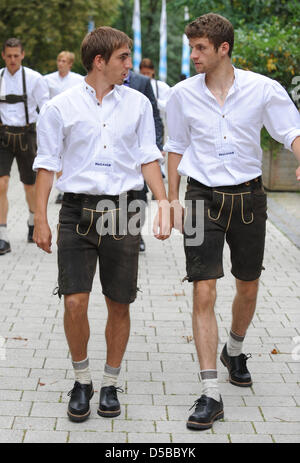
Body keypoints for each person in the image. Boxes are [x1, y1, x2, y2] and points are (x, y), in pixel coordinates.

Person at [164, 13, 300, 431]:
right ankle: (210, 393)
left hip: (248, 197)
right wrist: (170, 201)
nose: (194, 55)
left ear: (224, 49)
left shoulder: (264, 88)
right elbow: (173, 147)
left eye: (201, 47)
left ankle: (235, 349)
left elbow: (290, 130)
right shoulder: (182, 95)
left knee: (248, 285)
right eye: (192, 47)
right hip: (202, 196)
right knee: (203, 290)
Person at [33, 26, 170, 423]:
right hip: (76, 212)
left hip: (124, 211)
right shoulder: (59, 107)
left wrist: (164, 204)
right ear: (99, 61)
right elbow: (46, 165)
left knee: (119, 302)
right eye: (123, 57)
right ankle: (82, 380)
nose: (130, 64)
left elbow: (148, 156)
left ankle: (109, 382)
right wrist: (40, 219)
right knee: (75, 301)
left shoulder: (139, 104)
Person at [0, 38, 49, 254]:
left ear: (23, 54)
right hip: (2, 134)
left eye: (16, 56)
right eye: (8, 56)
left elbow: (46, 110)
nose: (12, 60)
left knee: (29, 185)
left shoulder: (34, 79)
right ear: (3, 55)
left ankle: (31, 219)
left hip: (27, 134)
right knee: (1, 184)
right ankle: (2, 235)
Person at [124, 68, 164, 251]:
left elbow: (155, 116)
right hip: (119, 149)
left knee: (139, 194)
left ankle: (136, 233)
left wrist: (155, 146)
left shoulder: (142, 82)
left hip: (139, 147)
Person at [44, 51, 84, 204]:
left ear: (70, 64)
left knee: (71, 155)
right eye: (59, 60)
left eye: (64, 61)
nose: (61, 63)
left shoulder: (78, 80)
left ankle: (72, 186)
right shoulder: (47, 80)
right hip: (55, 124)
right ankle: (62, 189)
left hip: (72, 122)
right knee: (58, 156)